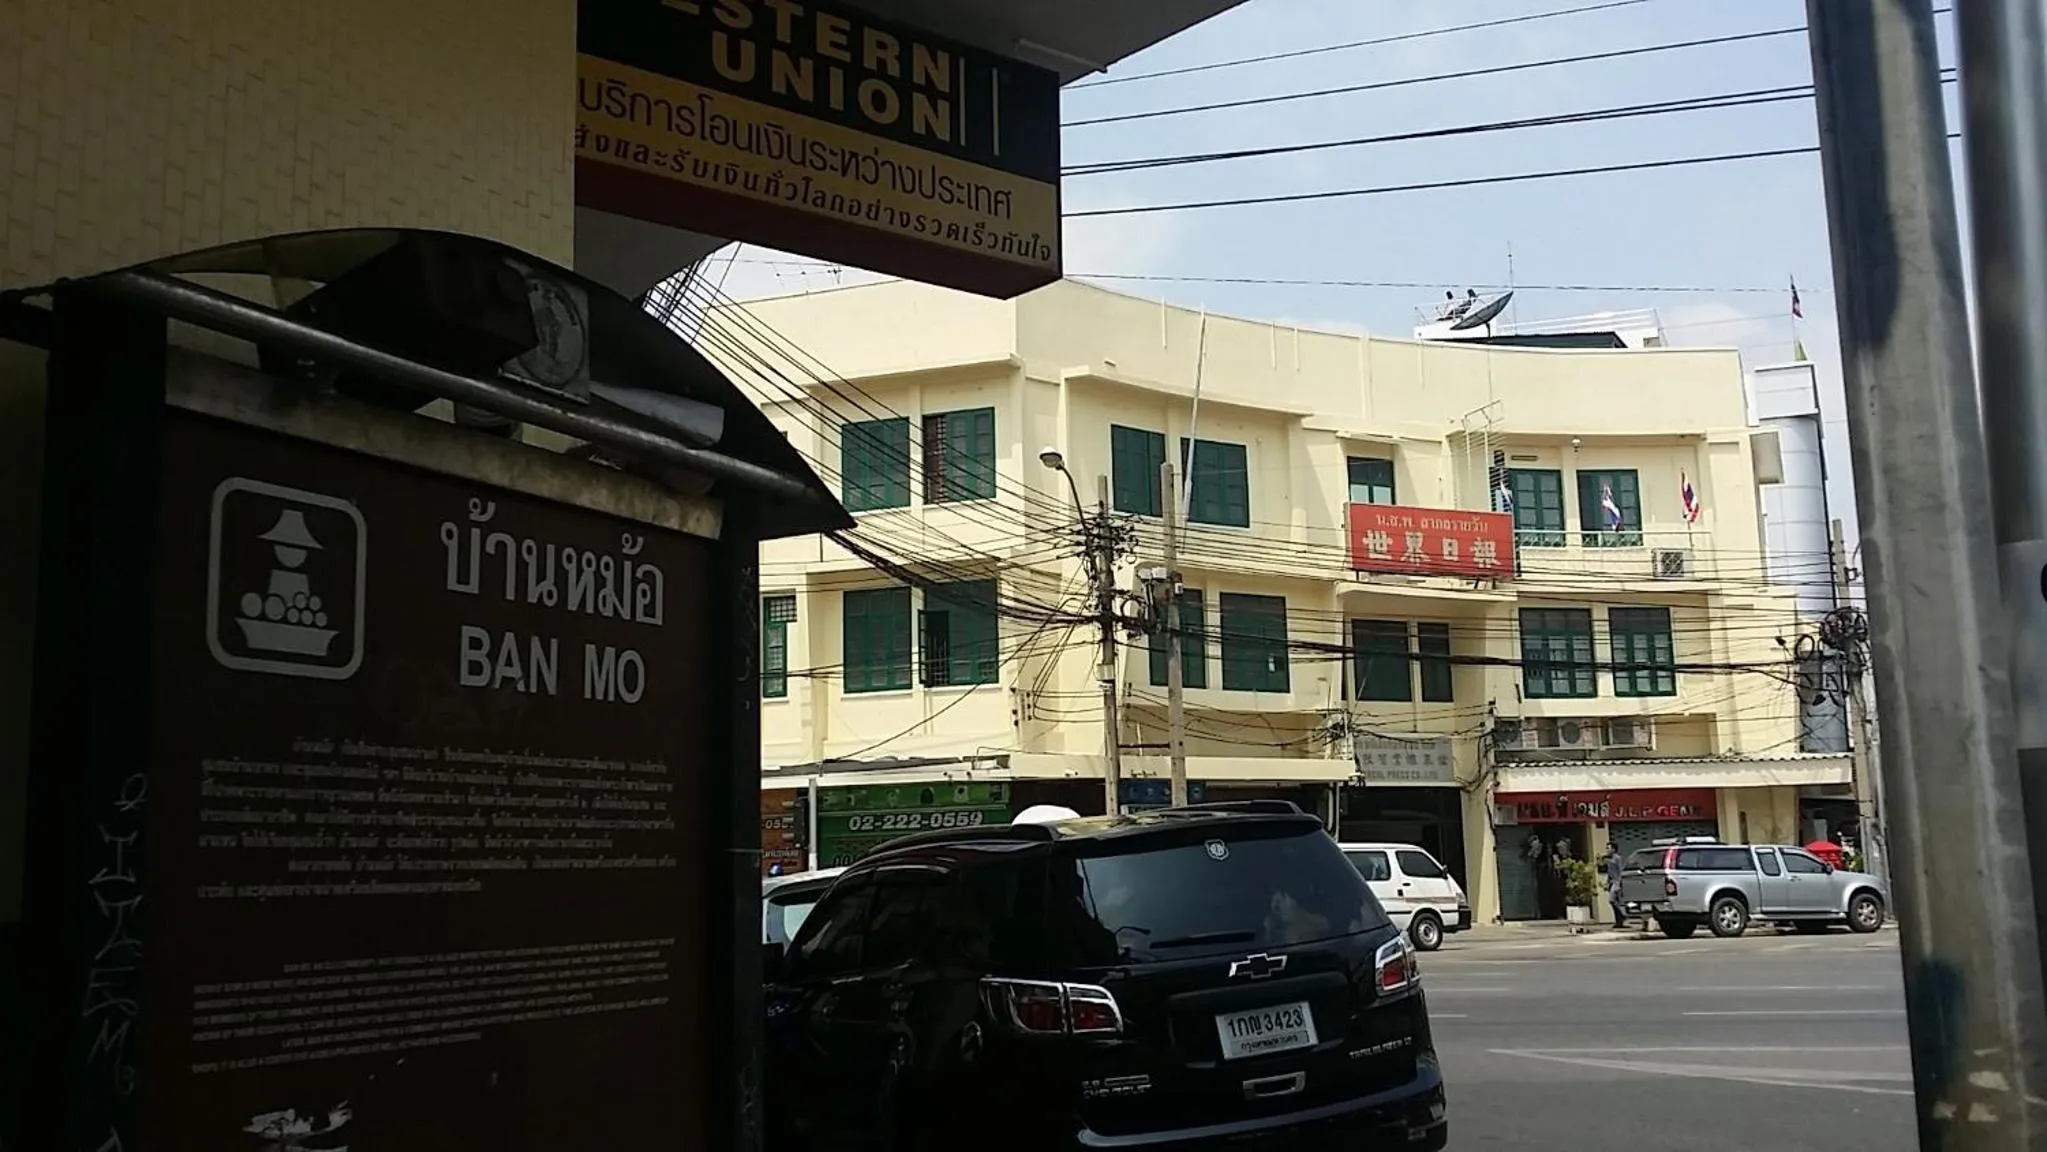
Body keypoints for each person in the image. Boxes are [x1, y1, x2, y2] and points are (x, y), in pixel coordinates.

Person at [1603, 845, 1627, 930]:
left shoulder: (1617, 858)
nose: (1607, 850)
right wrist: (1607, 883)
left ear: (1613, 849)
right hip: (1612, 882)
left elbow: (1621, 870)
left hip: (1617, 882)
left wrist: (1621, 882)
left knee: (1612, 900)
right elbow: (1609, 873)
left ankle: (1623, 914)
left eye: (1608, 848)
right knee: (1614, 902)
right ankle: (1619, 921)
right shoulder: (1608, 860)